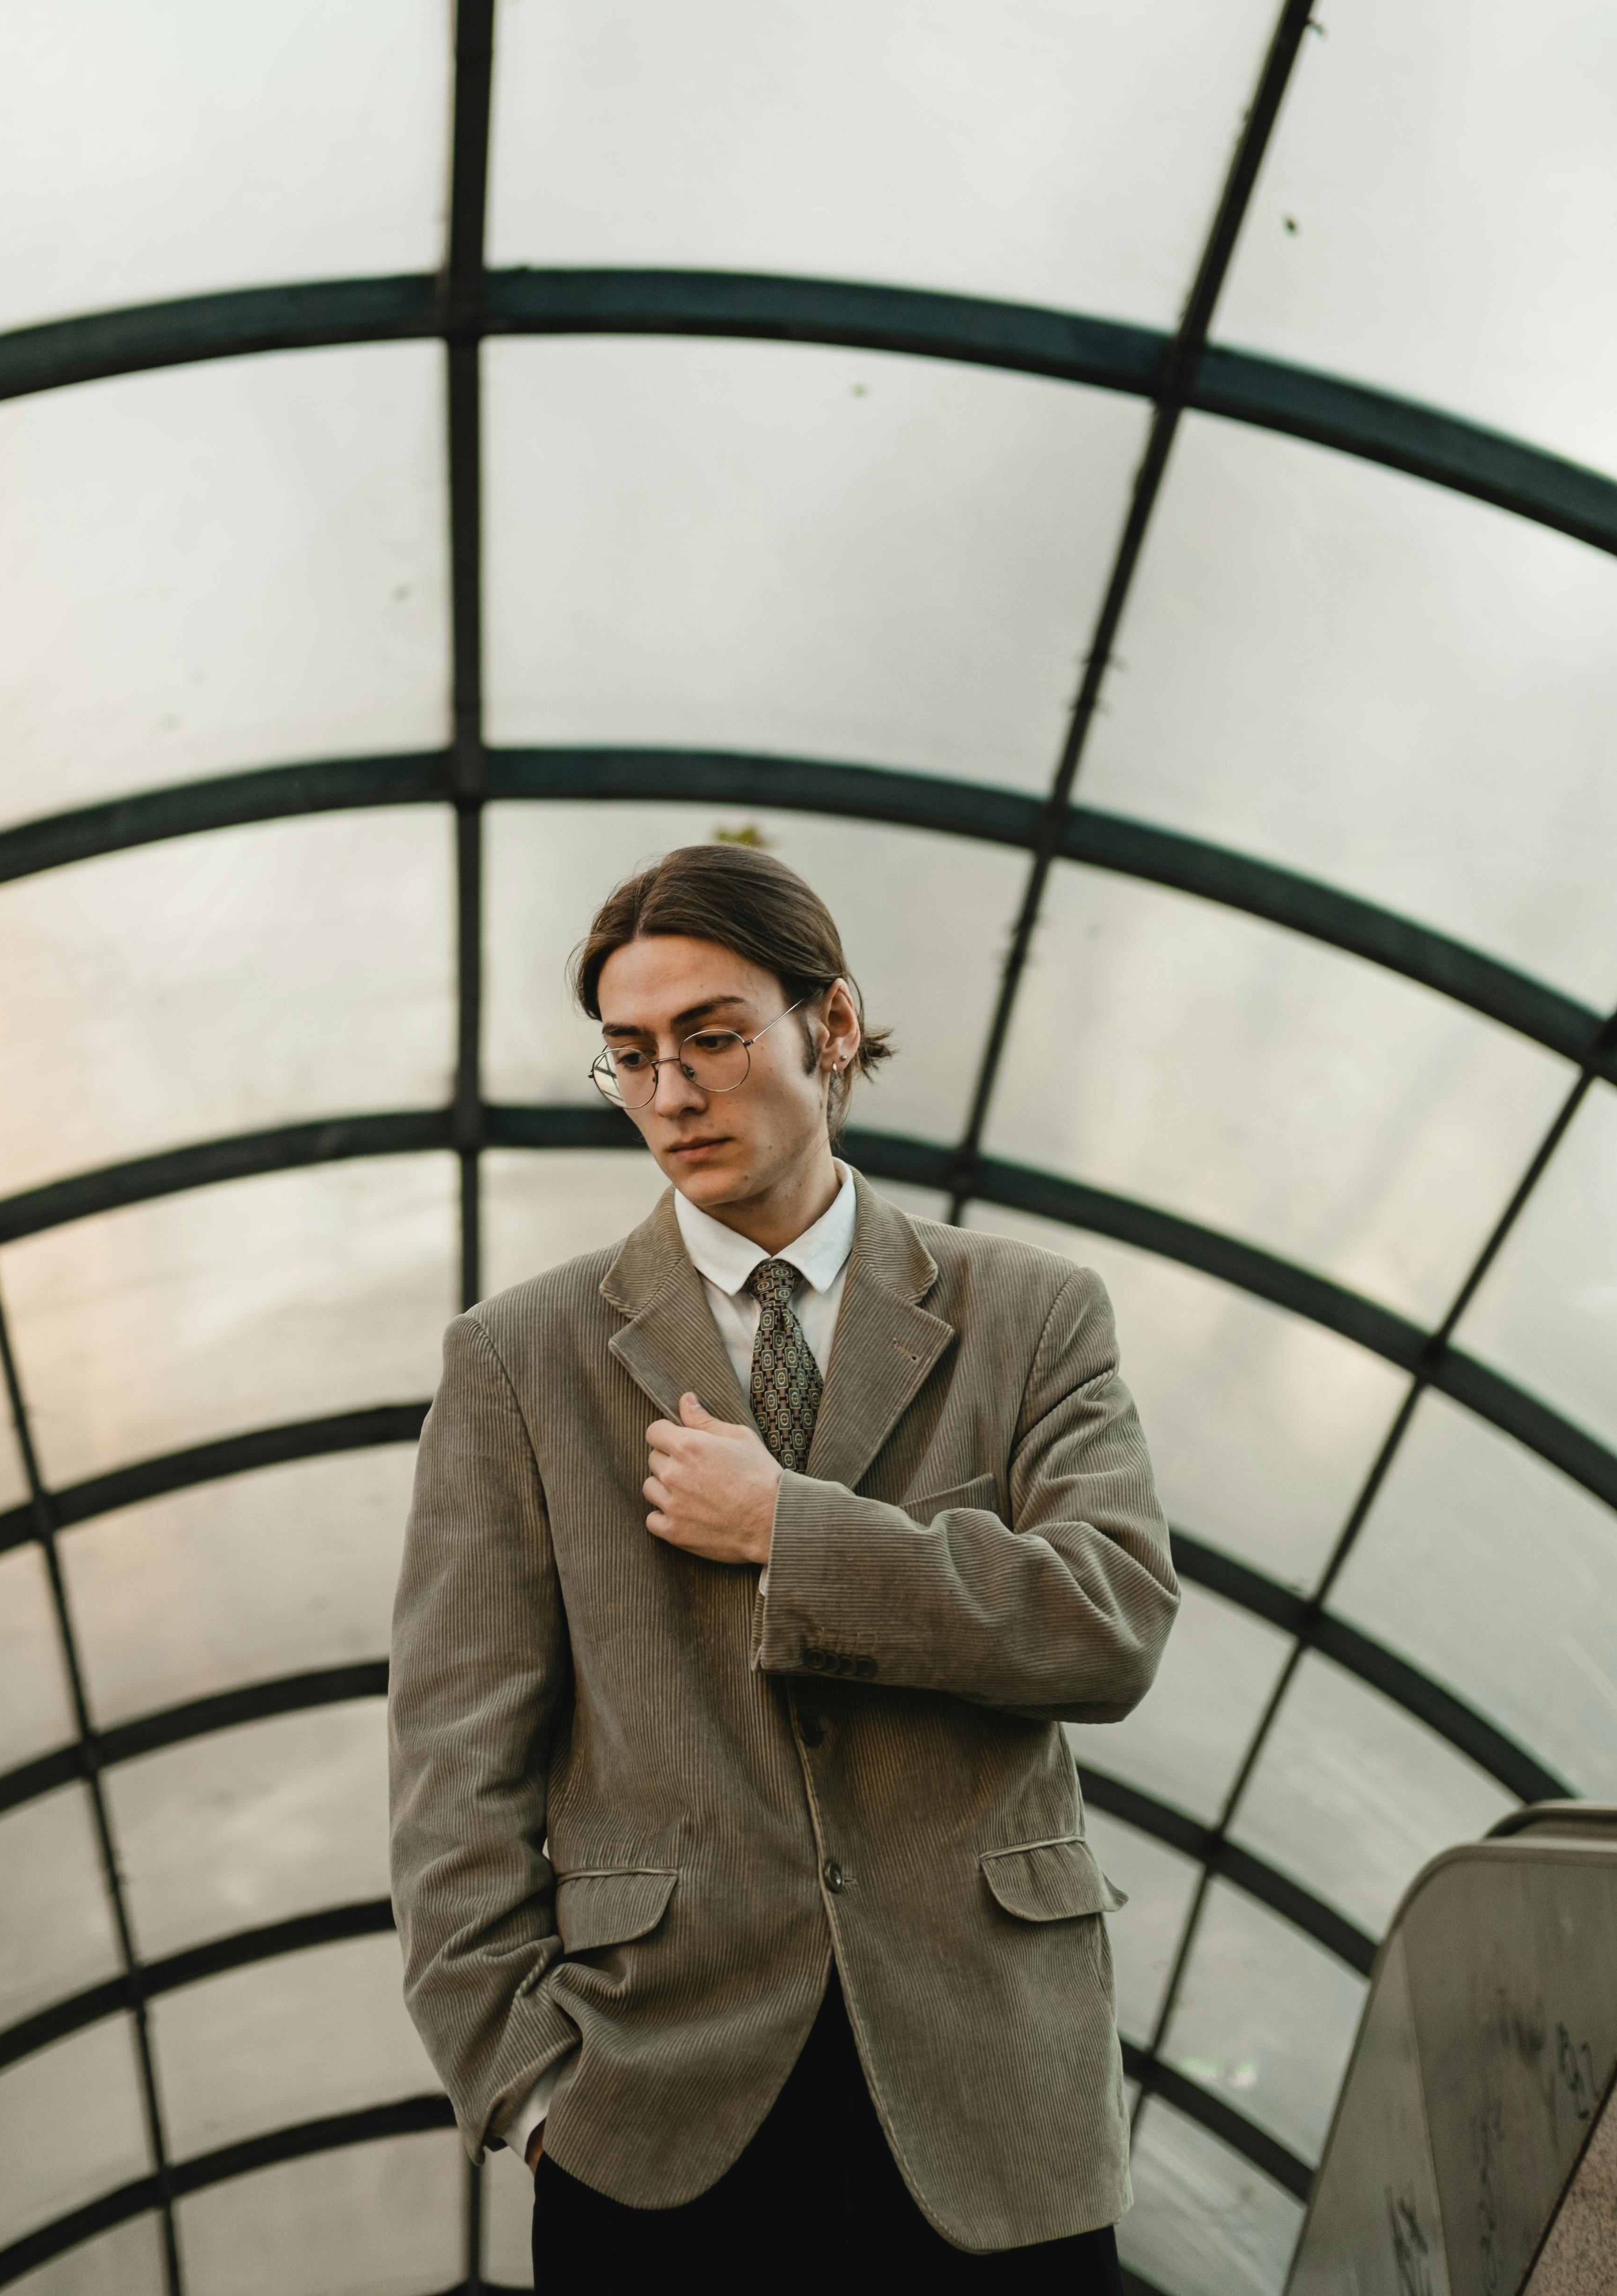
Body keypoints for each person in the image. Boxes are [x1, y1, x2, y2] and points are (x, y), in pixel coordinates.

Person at [389, 843, 1177, 2290]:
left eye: (712, 1039)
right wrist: (535, 2090)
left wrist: (789, 1531)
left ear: (828, 1025)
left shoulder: (1034, 1315)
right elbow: (458, 1761)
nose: (672, 1095)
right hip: (654, 2121)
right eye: (630, 1057)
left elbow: (1109, 1623)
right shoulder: (519, 1361)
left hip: (994, 2112)